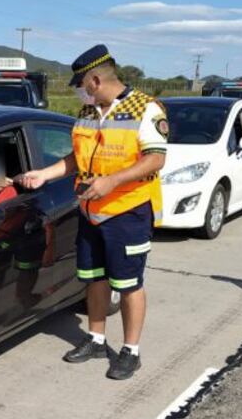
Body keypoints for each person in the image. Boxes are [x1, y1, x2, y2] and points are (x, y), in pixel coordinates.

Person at [15, 44, 167, 380]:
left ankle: (130, 350)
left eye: (81, 86)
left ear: (95, 81)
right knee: (94, 278)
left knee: (128, 283)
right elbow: (76, 158)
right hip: (90, 211)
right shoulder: (87, 113)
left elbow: (156, 158)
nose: (80, 93)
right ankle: (96, 338)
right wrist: (45, 173)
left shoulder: (147, 109)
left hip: (127, 213)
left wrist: (113, 181)